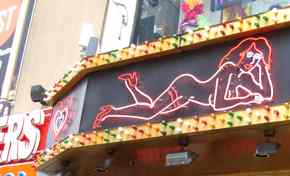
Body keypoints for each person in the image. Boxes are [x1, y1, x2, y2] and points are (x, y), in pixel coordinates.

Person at [93, 37, 274, 128]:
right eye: (250, 54)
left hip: (192, 96)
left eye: (257, 57)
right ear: (241, 53)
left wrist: (262, 66)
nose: (252, 60)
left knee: (152, 109)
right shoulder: (228, 68)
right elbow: (218, 104)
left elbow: (266, 95)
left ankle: (131, 89)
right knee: (152, 114)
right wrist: (247, 98)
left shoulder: (246, 75)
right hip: (186, 87)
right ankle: (115, 110)